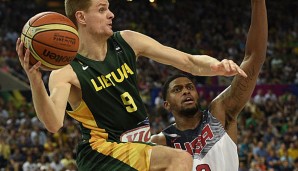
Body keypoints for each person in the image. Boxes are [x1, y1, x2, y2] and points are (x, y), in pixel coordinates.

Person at [15, 0, 247, 170]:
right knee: (179, 160)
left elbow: (188, 61)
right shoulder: (66, 71)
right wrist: (35, 80)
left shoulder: (126, 41)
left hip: (134, 149)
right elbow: (53, 123)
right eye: (102, 9)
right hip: (102, 154)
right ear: (81, 17)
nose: (111, 14)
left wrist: (217, 66)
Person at [150, 0, 268, 170]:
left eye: (190, 87)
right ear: (166, 104)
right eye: (177, 89)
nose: (186, 91)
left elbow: (254, 58)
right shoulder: (159, 143)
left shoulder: (219, 113)